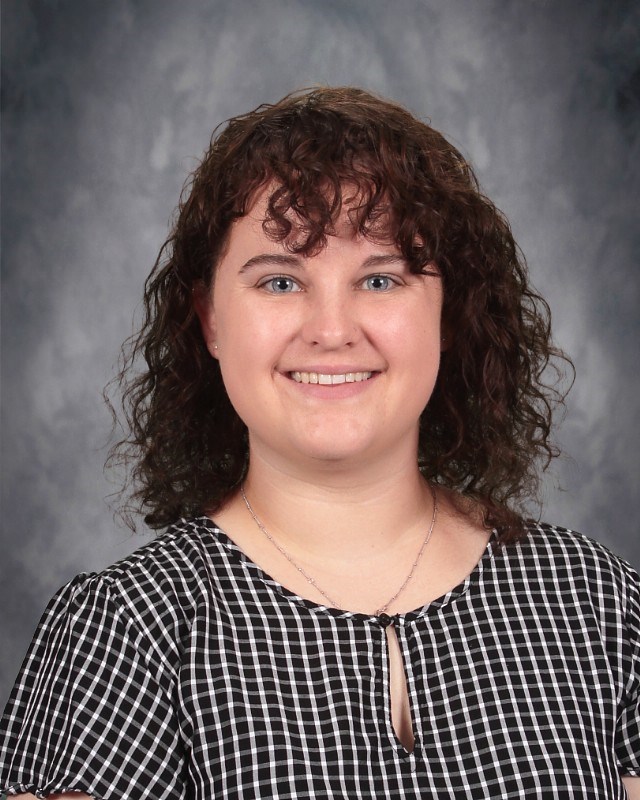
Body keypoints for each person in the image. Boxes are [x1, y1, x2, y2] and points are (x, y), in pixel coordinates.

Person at [1, 87, 638, 800]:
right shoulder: (128, 629)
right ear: (210, 321)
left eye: (379, 278)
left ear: (449, 314)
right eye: (280, 281)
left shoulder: (597, 602)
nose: (331, 329)